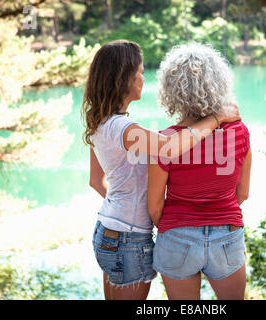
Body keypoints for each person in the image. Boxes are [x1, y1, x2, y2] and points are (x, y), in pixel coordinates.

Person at [82, 40, 241, 300]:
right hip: (128, 238)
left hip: (109, 230)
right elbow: (167, 147)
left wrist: (124, 205)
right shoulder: (123, 129)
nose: (144, 78)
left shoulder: (101, 121)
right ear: (125, 79)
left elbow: (95, 182)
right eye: (141, 72)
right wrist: (216, 119)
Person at [147, 43, 252, 300]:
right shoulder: (239, 132)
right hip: (226, 234)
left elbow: (154, 208)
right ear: (219, 83)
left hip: (177, 236)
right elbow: (243, 193)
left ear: (171, 90)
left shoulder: (165, 142)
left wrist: (179, 226)